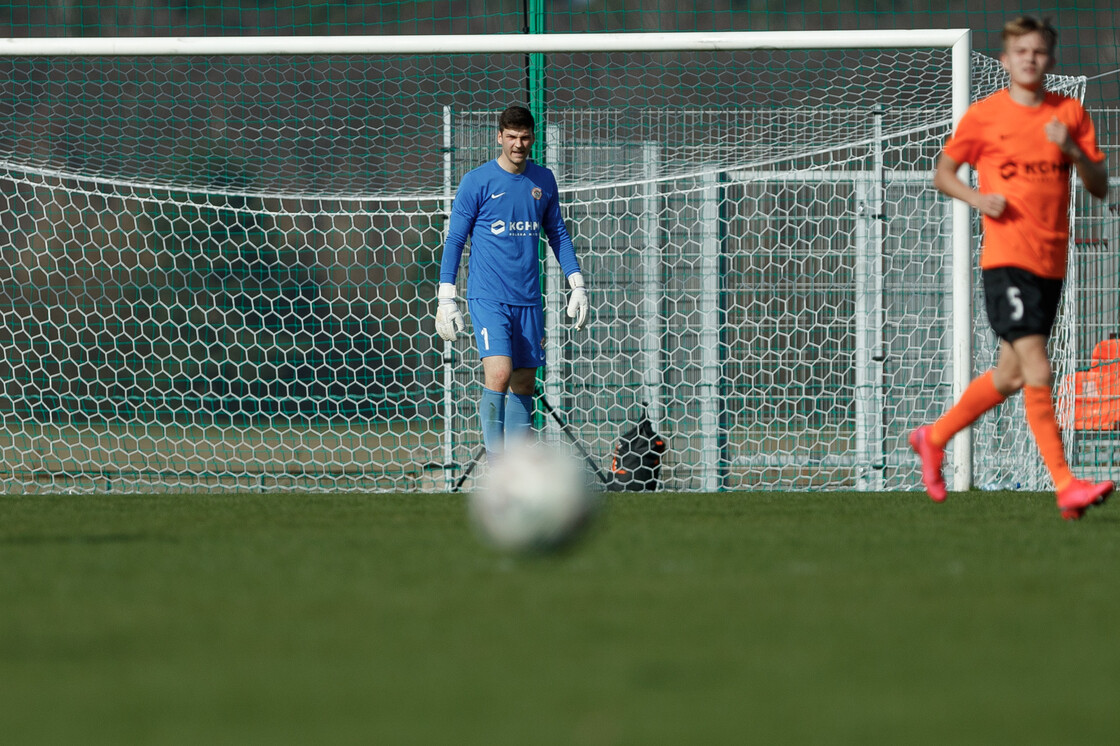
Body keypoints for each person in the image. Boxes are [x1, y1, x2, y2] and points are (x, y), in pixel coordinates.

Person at [911, 16, 1111, 520]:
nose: (1030, 59)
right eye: (1021, 51)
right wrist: (978, 198)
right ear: (1005, 60)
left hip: (1051, 262)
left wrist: (1071, 151)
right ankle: (1065, 485)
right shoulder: (984, 116)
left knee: (1011, 375)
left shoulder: (1069, 113)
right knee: (1038, 365)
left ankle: (932, 438)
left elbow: (1100, 185)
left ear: (1050, 59)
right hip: (1006, 260)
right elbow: (942, 174)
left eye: (1039, 52)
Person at [435, 105, 589, 461]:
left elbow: (558, 234)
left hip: (529, 299)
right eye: (512, 137)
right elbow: (456, 239)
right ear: (499, 137)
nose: (518, 144)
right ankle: (498, 466)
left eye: (525, 138)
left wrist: (576, 283)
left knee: (524, 383)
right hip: (488, 296)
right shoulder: (477, 181)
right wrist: (446, 296)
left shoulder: (543, 180)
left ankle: (519, 466)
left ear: (532, 139)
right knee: (500, 372)